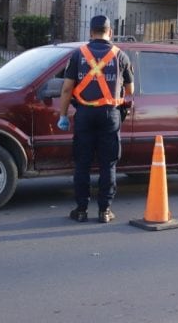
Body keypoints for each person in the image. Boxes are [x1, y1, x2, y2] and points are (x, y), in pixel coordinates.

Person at [58, 15, 134, 223]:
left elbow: (66, 89)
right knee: (108, 164)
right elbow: (130, 89)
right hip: (110, 115)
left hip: (84, 114)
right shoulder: (120, 56)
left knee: (82, 163)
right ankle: (105, 211)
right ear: (110, 32)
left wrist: (63, 116)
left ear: (90, 32)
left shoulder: (78, 55)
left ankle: (81, 210)